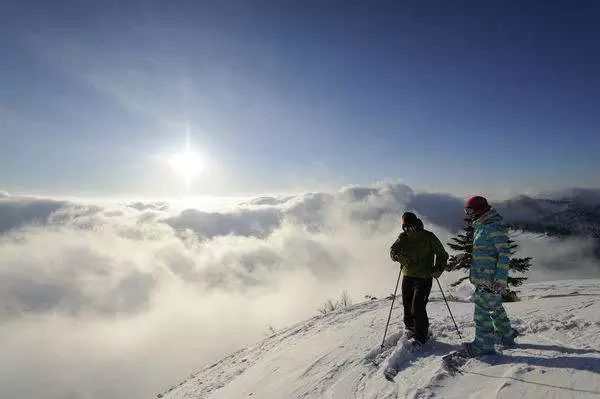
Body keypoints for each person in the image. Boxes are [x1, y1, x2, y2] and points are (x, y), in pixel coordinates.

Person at [460, 196, 518, 357]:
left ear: (480, 210)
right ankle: (506, 336)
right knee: (496, 308)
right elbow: (485, 251)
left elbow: (504, 253)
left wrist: (500, 280)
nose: (469, 214)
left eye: (470, 210)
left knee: (481, 313)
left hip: (490, 279)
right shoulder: (482, 226)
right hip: (485, 277)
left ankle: (483, 346)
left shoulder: (493, 227)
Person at [389, 212, 448, 347]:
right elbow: (393, 250)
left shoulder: (429, 237)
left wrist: (438, 268)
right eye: (405, 227)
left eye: (410, 226)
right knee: (407, 305)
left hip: (424, 277)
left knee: (418, 307)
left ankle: (421, 335)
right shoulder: (403, 237)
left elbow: (441, 254)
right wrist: (398, 256)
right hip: (408, 275)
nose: (408, 229)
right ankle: (411, 328)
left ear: (416, 223)